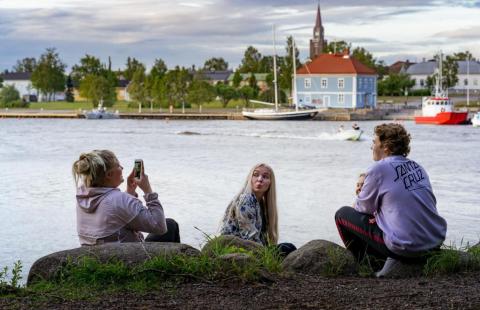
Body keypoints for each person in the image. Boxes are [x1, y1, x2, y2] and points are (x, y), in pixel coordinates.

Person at [334, 123, 447, 276]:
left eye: (374, 143)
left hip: (406, 247)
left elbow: (362, 208)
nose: (372, 147)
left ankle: (368, 265)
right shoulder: (418, 167)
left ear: (385, 147)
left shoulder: (378, 169)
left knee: (342, 214)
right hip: (434, 242)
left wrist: (361, 196)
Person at [72, 150, 180, 245]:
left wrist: (130, 190)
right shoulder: (119, 199)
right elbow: (160, 227)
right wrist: (148, 190)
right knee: (170, 225)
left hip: (97, 257)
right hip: (127, 259)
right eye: (118, 166)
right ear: (109, 175)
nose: (122, 168)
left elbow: (115, 215)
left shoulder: (83, 197)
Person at [220, 163, 296, 257]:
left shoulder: (261, 205)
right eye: (255, 175)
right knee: (288, 248)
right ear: (249, 179)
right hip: (236, 251)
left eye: (265, 177)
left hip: (248, 250)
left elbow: (260, 240)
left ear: (270, 183)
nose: (260, 179)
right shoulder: (246, 199)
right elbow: (249, 239)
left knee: (287, 249)